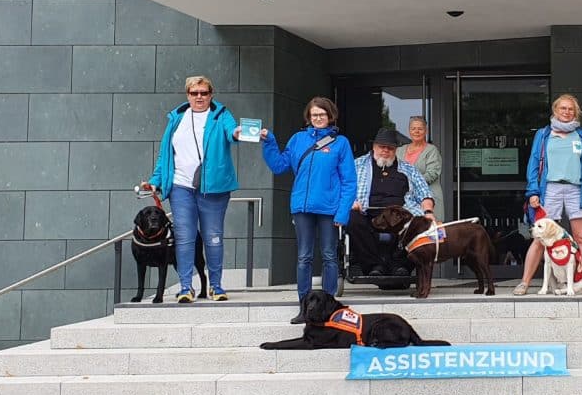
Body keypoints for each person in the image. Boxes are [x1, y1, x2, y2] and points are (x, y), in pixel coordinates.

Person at [143, 75, 240, 303]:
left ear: (211, 95)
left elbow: (232, 132)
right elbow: (165, 155)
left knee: (213, 237)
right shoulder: (176, 118)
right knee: (184, 238)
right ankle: (185, 287)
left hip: (213, 188)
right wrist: (155, 180)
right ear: (187, 95)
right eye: (194, 93)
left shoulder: (221, 115)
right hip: (180, 186)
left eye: (204, 93)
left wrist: (238, 133)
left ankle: (216, 286)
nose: (199, 97)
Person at [260, 97, 356, 323]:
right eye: (314, 115)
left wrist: (343, 212)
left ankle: (330, 307)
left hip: (329, 209)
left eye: (322, 114)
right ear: (308, 117)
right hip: (302, 207)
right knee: (303, 257)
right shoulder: (297, 139)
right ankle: (305, 308)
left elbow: (349, 181)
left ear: (330, 116)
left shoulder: (340, 142)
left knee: (330, 256)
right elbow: (280, 165)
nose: (318, 118)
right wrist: (269, 142)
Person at [514, 94, 582, 296]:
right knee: (540, 237)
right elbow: (534, 163)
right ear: (555, 111)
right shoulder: (544, 135)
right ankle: (524, 282)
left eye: (571, 109)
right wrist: (533, 191)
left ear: (576, 112)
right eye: (563, 108)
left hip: (576, 190)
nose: (567, 112)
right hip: (550, 189)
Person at [348, 128, 435, 277]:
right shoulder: (356, 165)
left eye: (390, 148)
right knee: (351, 218)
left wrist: (428, 212)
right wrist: (351, 201)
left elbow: (425, 193)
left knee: (420, 223)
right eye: (382, 147)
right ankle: (374, 266)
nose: (385, 151)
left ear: (395, 150)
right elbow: (342, 189)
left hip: (401, 215)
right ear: (374, 147)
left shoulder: (408, 169)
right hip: (368, 213)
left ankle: (402, 266)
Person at [396, 116, 445, 221]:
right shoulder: (399, 151)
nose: (416, 131)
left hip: (428, 197)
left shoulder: (432, 150)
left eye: (420, 129)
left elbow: (432, 174)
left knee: (432, 231)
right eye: (413, 128)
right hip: (404, 198)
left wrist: (410, 182)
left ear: (426, 131)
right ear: (409, 131)